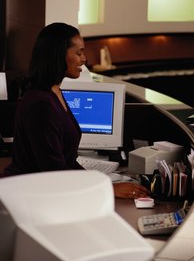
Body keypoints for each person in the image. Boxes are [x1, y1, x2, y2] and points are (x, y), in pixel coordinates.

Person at [3, 22, 149, 199]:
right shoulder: (40, 103)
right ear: (58, 55)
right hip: (28, 197)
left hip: (45, 192)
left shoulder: (54, 91)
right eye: (78, 53)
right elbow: (55, 173)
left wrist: (103, 183)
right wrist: (107, 189)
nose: (84, 59)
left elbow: (68, 162)